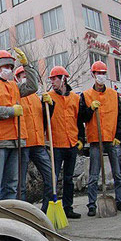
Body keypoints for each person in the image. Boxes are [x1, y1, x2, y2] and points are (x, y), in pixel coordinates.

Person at [0, 48, 36, 200]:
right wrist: (11, 111)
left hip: (16, 140)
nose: (8, 70)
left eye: (11, 67)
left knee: (12, 184)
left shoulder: (14, 85)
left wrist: (27, 65)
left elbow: (33, 87)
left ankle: (7, 217)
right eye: (5, 66)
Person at [79, 61, 121, 216]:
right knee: (94, 175)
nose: (101, 76)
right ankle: (92, 205)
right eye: (98, 73)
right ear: (93, 75)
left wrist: (119, 136)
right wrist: (90, 109)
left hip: (112, 139)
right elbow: (81, 117)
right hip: (96, 140)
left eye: (103, 73)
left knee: (118, 174)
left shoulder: (114, 95)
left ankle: (120, 201)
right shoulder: (86, 95)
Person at [15, 65, 55, 212]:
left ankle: (44, 212)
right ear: (17, 79)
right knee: (21, 184)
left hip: (38, 143)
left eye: (26, 75)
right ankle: (23, 214)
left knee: (51, 177)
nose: (24, 78)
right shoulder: (17, 96)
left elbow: (45, 120)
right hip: (23, 144)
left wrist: (49, 105)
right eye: (21, 76)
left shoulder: (37, 98)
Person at [47, 66, 85, 219]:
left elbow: (79, 120)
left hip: (71, 143)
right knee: (53, 179)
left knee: (69, 179)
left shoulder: (75, 98)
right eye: (51, 79)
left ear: (63, 79)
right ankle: (49, 209)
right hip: (56, 144)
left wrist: (81, 139)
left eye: (55, 78)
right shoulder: (48, 97)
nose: (52, 81)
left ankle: (67, 208)